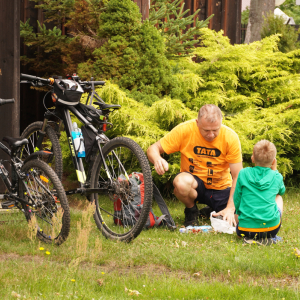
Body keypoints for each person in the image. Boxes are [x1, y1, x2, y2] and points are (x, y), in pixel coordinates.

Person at [147, 104, 243, 227]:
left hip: (221, 187)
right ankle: (191, 210)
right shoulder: (185, 130)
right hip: (195, 185)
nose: (211, 135)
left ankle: (211, 210)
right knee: (181, 182)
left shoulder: (230, 137)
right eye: (206, 130)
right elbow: (153, 149)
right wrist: (157, 159)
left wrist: (230, 208)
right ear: (197, 123)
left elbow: (238, 176)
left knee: (240, 219)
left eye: (215, 130)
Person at [234, 140, 285, 242]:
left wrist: (239, 213)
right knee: (278, 197)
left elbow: (237, 198)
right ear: (273, 161)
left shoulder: (243, 173)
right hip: (271, 229)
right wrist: (274, 170)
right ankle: (268, 237)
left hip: (245, 229)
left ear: (252, 158)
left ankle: (245, 235)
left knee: (238, 208)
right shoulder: (276, 176)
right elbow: (282, 191)